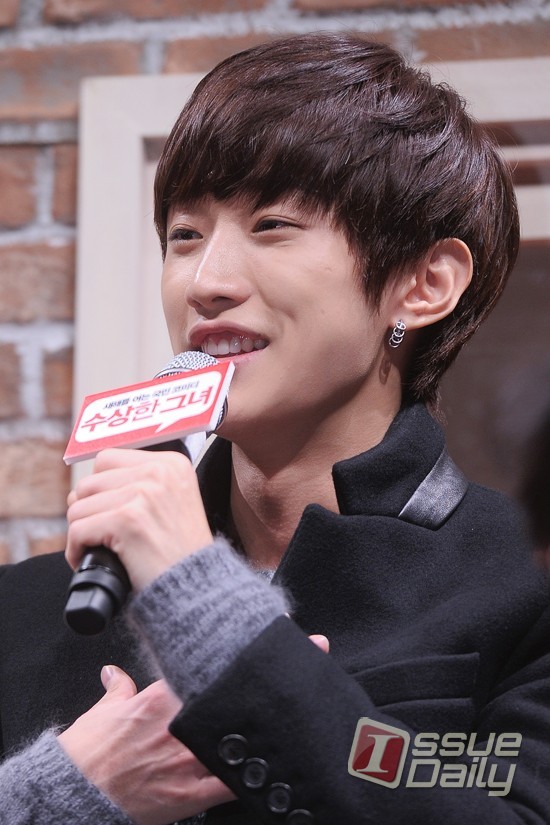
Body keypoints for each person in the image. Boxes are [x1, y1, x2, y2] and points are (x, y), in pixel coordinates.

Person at [1, 32, 550, 824]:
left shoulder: (521, 587)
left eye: (273, 225)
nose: (206, 282)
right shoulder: (29, 606)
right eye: (185, 235)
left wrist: (204, 604)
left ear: (424, 284)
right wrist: (56, 795)